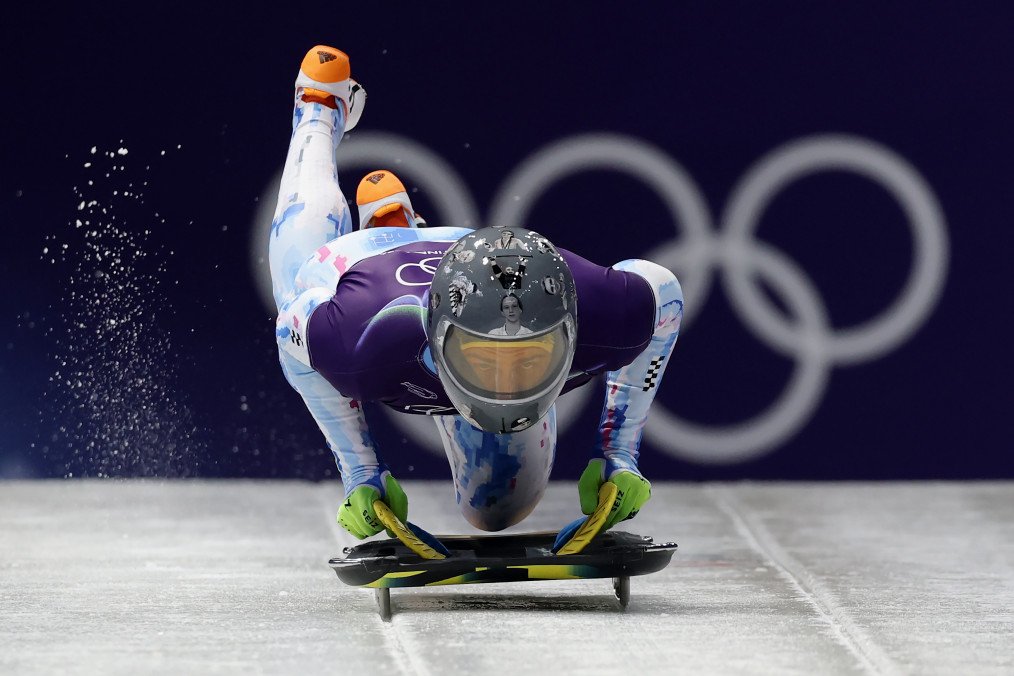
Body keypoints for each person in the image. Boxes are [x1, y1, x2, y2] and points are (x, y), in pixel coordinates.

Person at [270, 46, 684, 538]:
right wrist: (358, 468)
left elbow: (663, 292)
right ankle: (319, 110)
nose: (505, 387)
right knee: (295, 277)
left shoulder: (605, 310)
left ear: (571, 330)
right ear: (435, 335)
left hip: (468, 266)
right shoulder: (361, 334)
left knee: (497, 509)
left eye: (530, 358)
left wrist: (620, 453)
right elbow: (291, 331)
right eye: (484, 358)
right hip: (362, 264)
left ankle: (396, 220)